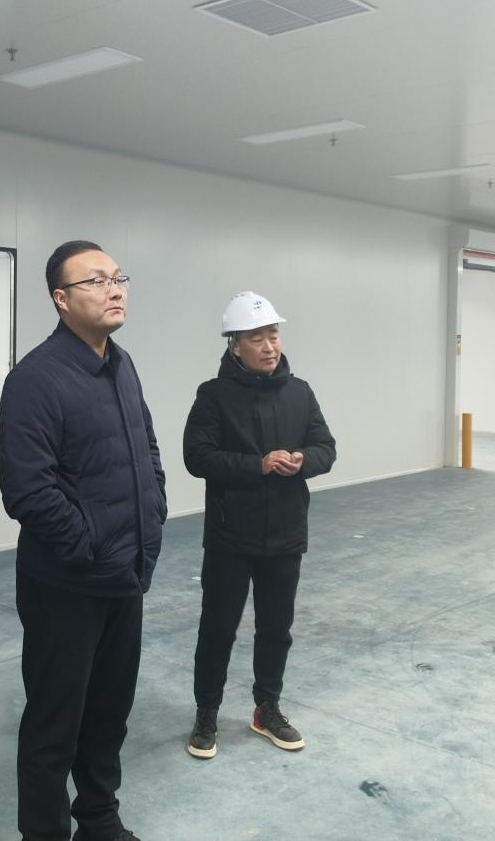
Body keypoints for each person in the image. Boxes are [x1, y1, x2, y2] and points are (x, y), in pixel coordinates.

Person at [0, 240, 166, 841]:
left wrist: (154, 512)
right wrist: (91, 545)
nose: (113, 289)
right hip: (66, 585)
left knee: (108, 715)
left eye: (118, 277)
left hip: (125, 575)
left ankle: (98, 819)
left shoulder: (122, 365)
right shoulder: (35, 379)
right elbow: (27, 491)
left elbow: (146, 447)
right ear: (61, 299)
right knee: (55, 724)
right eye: (95, 281)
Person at [182, 291, 336, 761]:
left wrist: (302, 459)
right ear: (235, 346)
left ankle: (266, 709)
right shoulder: (213, 396)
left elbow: (326, 448)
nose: (269, 346)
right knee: (218, 628)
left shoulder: (300, 392)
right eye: (256, 338)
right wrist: (258, 465)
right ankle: (206, 713)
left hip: (286, 532)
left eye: (273, 335)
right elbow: (197, 457)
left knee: (276, 628)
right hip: (231, 535)